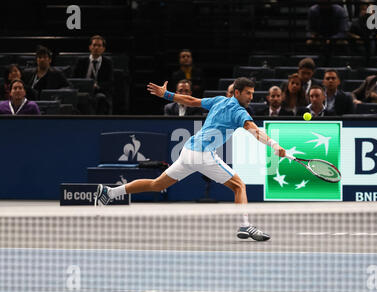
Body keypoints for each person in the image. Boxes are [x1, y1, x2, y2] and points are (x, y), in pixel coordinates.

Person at [94, 77, 287, 241]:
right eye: (248, 93)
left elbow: (191, 100)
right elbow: (254, 131)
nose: (251, 97)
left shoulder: (219, 100)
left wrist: (167, 95)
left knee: (156, 184)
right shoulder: (239, 112)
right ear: (237, 92)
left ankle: (109, 193)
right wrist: (274, 145)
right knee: (239, 186)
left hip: (187, 151)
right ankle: (245, 226)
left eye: (252, 93)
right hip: (203, 155)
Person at [72, 35, 114, 114]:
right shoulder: (81, 61)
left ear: (103, 49)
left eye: (99, 46)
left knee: (100, 98)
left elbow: (110, 82)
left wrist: (97, 86)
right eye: (94, 45)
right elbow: (74, 79)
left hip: (99, 91)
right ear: (90, 47)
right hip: (83, 91)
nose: (96, 48)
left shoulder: (107, 63)